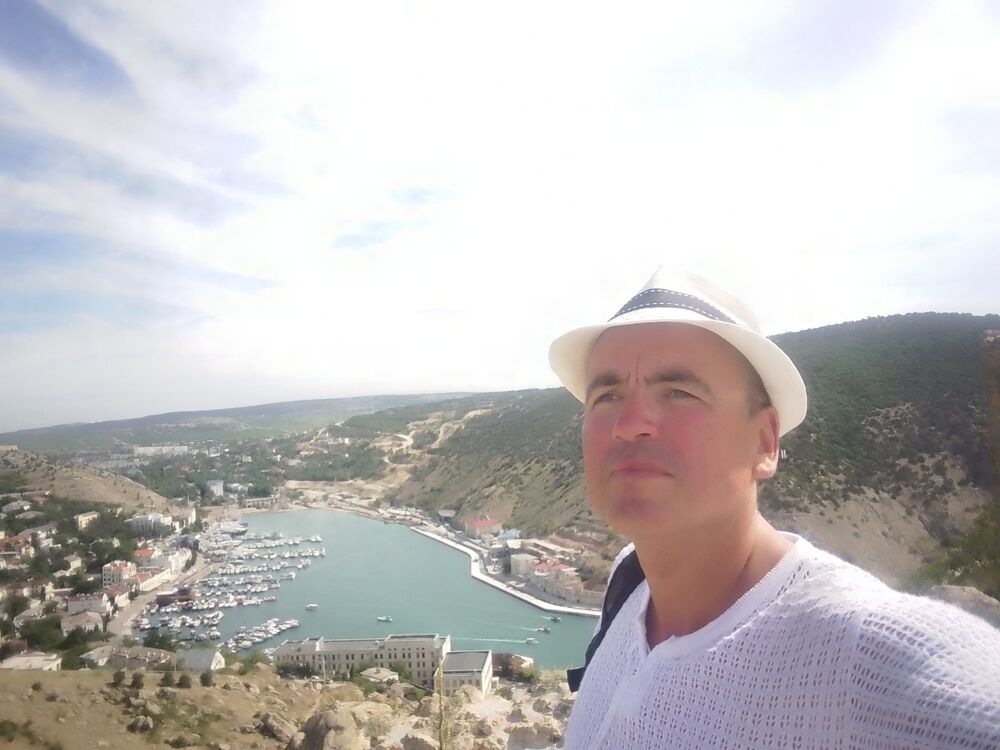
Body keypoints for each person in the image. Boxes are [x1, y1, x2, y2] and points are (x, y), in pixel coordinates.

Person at [548, 268, 1000, 750]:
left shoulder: (865, 649)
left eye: (679, 392)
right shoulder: (629, 582)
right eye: (607, 396)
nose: (628, 423)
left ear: (765, 442)